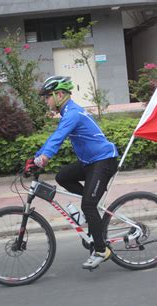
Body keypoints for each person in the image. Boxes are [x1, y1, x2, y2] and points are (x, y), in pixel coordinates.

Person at [27, 75, 119, 270]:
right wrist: (35, 157)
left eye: (47, 96)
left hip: (103, 161)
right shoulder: (68, 113)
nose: (46, 100)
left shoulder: (73, 113)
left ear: (59, 94)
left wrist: (44, 158)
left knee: (88, 205)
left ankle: (102, 250)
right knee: (62, 177)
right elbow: (54, 137)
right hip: (90, 162)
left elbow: (58, 138)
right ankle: (92, 201)